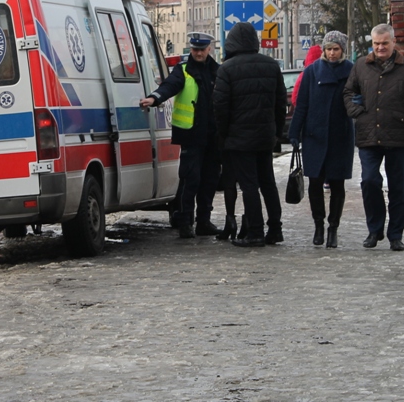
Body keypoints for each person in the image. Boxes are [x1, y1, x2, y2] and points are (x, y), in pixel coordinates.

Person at [343, 23, 404, 252]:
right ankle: (374, 229)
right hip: (368, 134)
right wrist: (355, 112)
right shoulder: (361, 65)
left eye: (384, 43)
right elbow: (349, 92)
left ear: (393, 42)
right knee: (369, 181)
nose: (380, 47)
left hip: (397, 135)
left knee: (399, 188)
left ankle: (396, 234)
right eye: (376, 43)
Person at [212, 22, 287, 248]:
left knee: (249, 185)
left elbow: (220, 107)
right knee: (268, 183)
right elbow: (280, 102)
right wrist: (276, 132)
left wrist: (223, 136)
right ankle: (275, 228)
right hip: (265, 136)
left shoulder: (226, 69)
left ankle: (255, 231)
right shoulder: (271, 65)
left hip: (239, 138)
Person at [140, 32, 221, 239]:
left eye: (202, 49)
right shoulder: (183, 70)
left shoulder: (217, 71)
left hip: (213, 136)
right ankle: (186, 222)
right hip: (191, 135)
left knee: (209, 180)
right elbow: (170, 86)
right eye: (195, 50)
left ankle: (204, 221)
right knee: (190, 180)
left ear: (209, 49)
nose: (199, 53)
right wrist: (154, 98)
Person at [288, 31, 355, 249]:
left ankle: (333, 228)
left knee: (337, 183)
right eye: (329, 49)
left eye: (336, 49)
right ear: (324, 50)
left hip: (340, 135)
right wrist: (294, 132)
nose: (332, 53)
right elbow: (302, 105)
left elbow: (359, 100)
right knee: (315, 182)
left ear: (343, 50)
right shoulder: (311, 71)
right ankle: (318, 225)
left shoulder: (351, 71)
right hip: (314, 135)